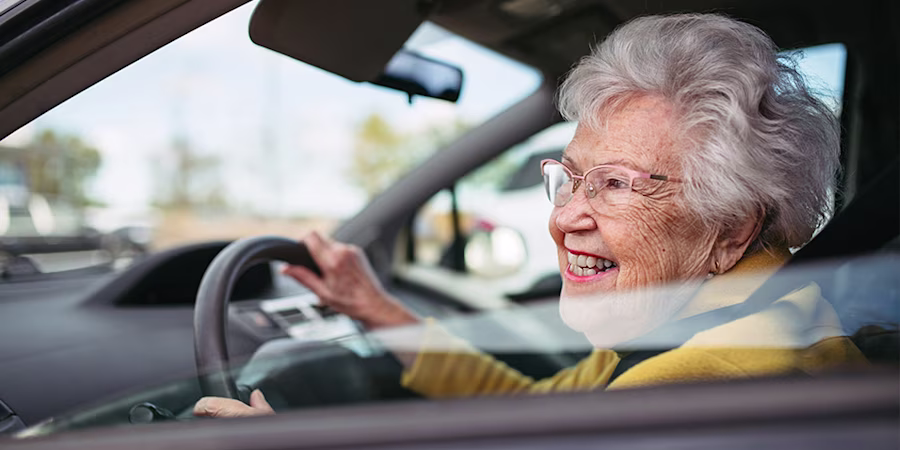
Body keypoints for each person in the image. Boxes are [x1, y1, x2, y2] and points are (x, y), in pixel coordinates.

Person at [194, 13, 866, 418]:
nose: (566, 218)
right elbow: (534, 412)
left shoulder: (708, 379)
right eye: (569, 179)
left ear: (732, 227)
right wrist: (385, 315)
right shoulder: (694, 312)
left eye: (614, 185)